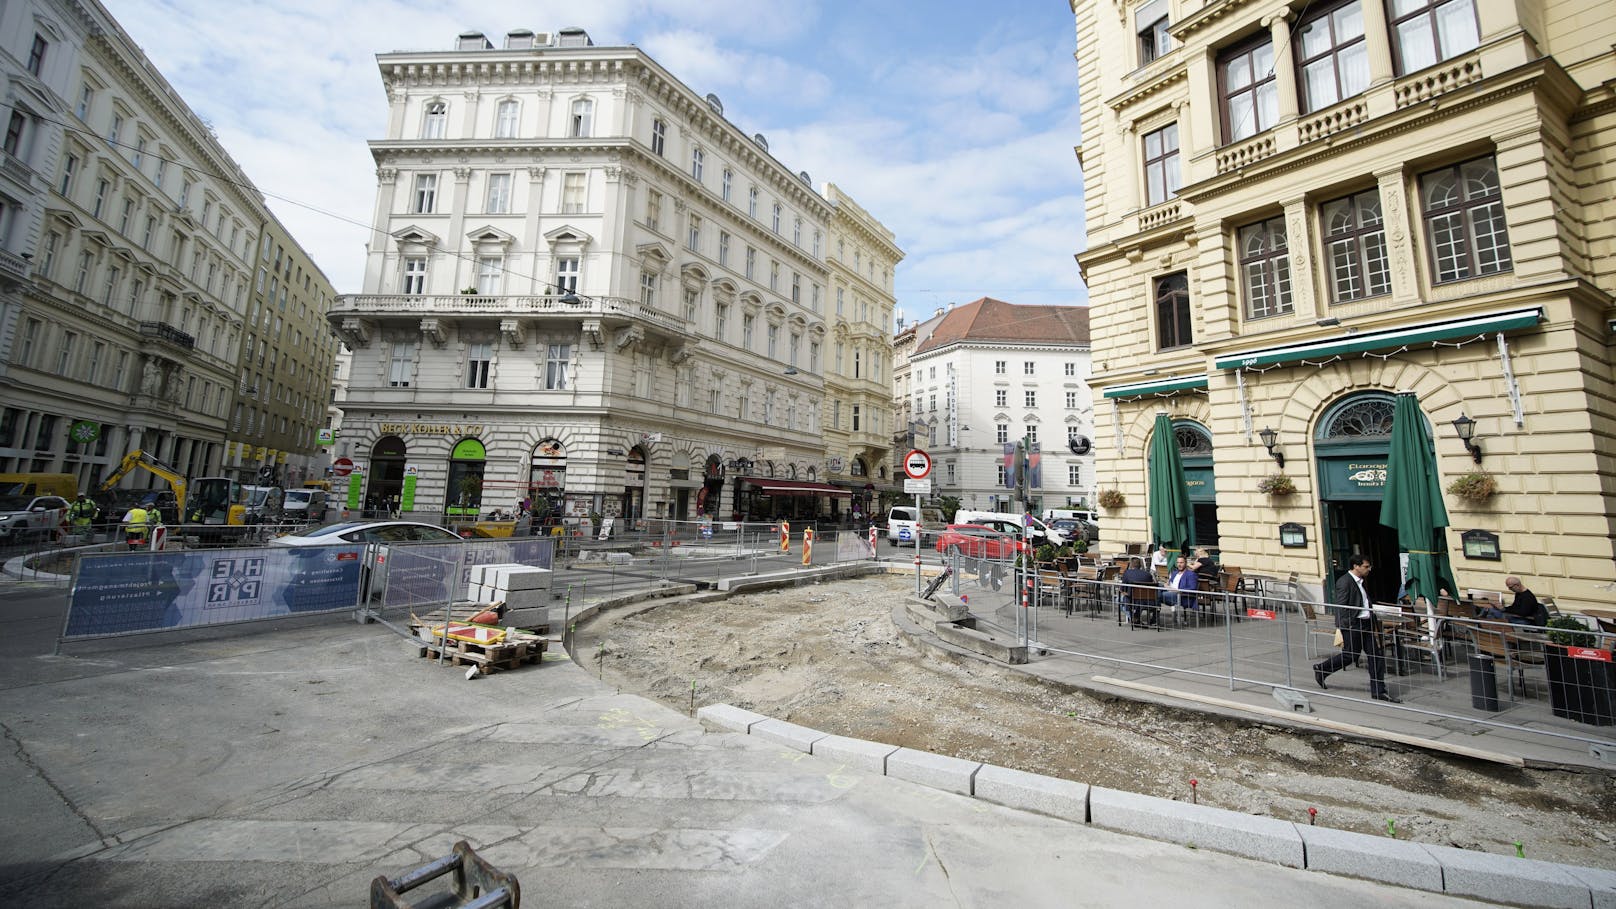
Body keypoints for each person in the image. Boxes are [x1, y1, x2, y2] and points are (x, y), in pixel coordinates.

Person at [1314, 554, 1397, 702]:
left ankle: (1379, 691)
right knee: (1350, 655)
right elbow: (1341, 607)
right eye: (1366, 566)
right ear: (1356, 566)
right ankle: (1322, 669)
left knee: (1376, 655)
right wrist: (1347, 626)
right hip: (1354, 625)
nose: (1369, 569)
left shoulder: (1361, 581)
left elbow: (1363, 601)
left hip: (1366, 624)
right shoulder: (1345, 582)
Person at [1479, 576, 1549, 627]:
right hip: (1517, 617)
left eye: (1510, 587)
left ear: (1517, 585)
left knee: (1491, 612)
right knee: (1491, 612)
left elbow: (1523, 612)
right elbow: (1515, 607)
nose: (1509, 589)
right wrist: (1503, 608)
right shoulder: (1519, 593)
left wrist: (1504, 609)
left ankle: (1478, 622)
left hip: (1524, 621)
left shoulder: (1527, 596)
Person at [1158, 556, 1200, 625]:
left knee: (1159, 595)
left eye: (1181, 562)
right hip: (1170, 591)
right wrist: (1166, 585)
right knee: (1157, 588)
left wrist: (1178, 590)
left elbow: (1193, 588)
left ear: (1186, 563)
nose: (1179, 564)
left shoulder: (1191, 574)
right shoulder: (1175, 573)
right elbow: (1170, 582)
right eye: (1178, 563)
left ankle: (1155, 614)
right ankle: (1155, 613)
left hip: (1181, 596)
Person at [1119, 556, 1158, 625]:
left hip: (1133, 600)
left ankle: (1132, 617)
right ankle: (1137, 617)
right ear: (1141, 565)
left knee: (1119, 600)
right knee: (1139, 599)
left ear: (1131, 564)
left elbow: (1122, 589)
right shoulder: (1148, 575)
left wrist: (1124, 592)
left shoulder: (1127, 573)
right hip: (1148, 601)